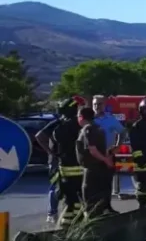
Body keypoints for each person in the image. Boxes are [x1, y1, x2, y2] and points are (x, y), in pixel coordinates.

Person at [50, 97, 84, 228]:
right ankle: (72, 227)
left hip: (64, 170)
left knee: (71, 202)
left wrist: (52, 154)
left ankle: (66, 228)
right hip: (78, 169)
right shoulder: (78, 126)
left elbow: (53, 145)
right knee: (79, 201)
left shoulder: (58, 128)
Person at [76, 107, 114, 217]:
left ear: (82, 117)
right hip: (100, 168)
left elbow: (92, 149)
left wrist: (105, 160)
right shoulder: (99, 128)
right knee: (99, 197)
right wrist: (106, 159)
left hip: (92, 169)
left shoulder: (88, 129)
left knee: (89, 198)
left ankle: (91, 223)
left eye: (78, 116)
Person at [92, 95, 124, 212]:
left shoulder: (110, 119)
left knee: (106, 182)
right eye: (94, 104)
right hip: (92, 156)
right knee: (93, 184)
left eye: (99, 104)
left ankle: (107, 206)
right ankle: (94, 209)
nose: (97, 107)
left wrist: (117, 146)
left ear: (104, 105)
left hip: (107, 155)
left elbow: (122, 132)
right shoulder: (89, 119)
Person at [35, 114, 62, 224]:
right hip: (55, 161)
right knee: (54, 186)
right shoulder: (57, 123)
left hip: (66, 159)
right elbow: (39, 136)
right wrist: (50, 152)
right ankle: (52, 214)